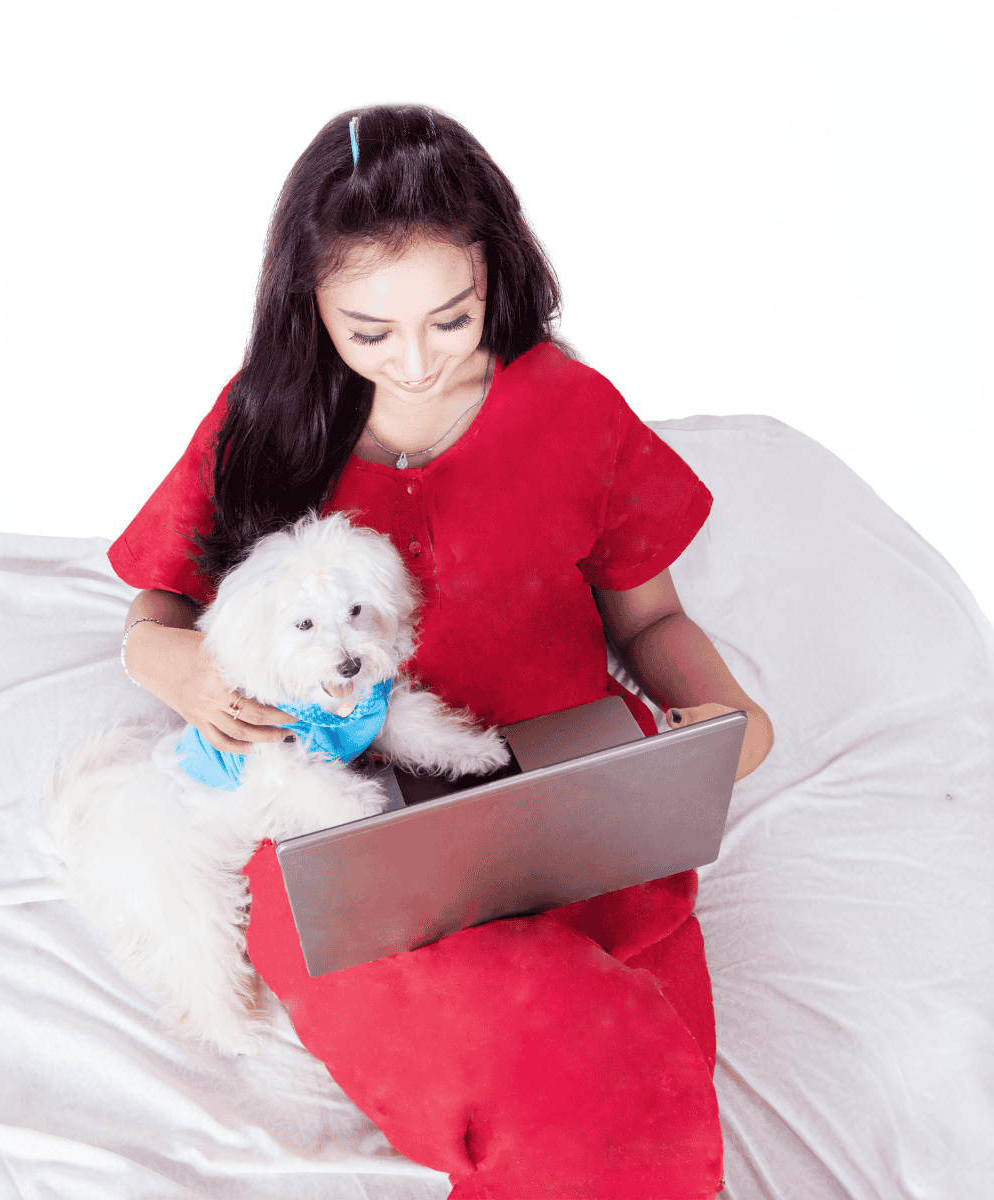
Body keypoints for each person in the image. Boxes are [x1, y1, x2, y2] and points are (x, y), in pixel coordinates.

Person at [108, 105, 774, 1198]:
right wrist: (165, 663)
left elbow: (649, 622)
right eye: (368, 331)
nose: (412, 362)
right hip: (343, 839)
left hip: (566, 814)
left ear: (494, 278)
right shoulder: (263, 419)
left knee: (634, 1079)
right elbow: (158, 603)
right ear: (306, 303)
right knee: (546, 1055)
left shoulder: (574, 411)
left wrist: (727, 713)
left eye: (450, 320)